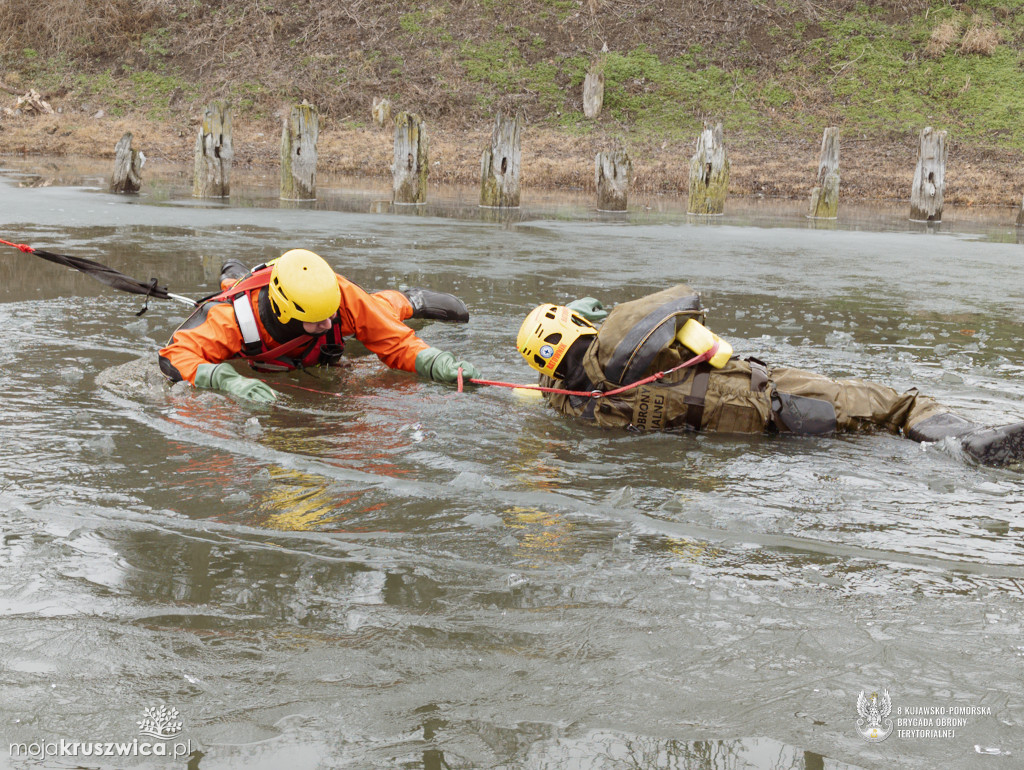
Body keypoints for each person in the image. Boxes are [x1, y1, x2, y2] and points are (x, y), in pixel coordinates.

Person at [515, 284, 1024, 466]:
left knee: (866, 436)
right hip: (768, 396)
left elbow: (556, 381)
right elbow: (685, 299)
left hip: (744, 434)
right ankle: (971, 445)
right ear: (577, 323)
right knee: (894, 405)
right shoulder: (614, 340)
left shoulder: (571, 403)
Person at [159, 249, 480, 402]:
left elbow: (394, 341)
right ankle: (233, 273)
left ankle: (409, 299)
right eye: (318, 320)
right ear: (288, 314)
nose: (329, 324)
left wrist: (433, 361)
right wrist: (224, 379)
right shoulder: (231, 319)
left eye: (330, 314)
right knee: (235, 284)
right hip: (259, 323)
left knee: (378, 309)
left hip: (352, 311)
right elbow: (175, 355)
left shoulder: (336, 294)